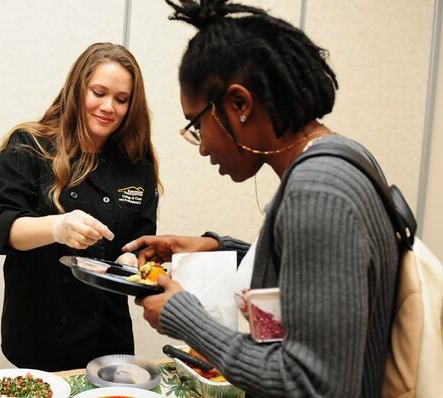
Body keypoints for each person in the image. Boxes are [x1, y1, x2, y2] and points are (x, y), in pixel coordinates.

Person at [124, 1, 399, 397]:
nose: (201, 148)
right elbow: (315, 279)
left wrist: (186, 319)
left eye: (196, 124)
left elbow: (311, 384)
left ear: (239, 104)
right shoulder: (341, 156)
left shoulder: (317, 192)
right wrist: (221, 248)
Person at [0, 42, 161, 371]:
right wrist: (56, 227)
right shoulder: (29, 147)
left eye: (121, 100)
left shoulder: (138, 166)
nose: (109, 107)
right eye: (98, 92)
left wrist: (131, 260)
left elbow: (141, 239)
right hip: (41, 333)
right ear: (78, 88)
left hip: (109, 336)